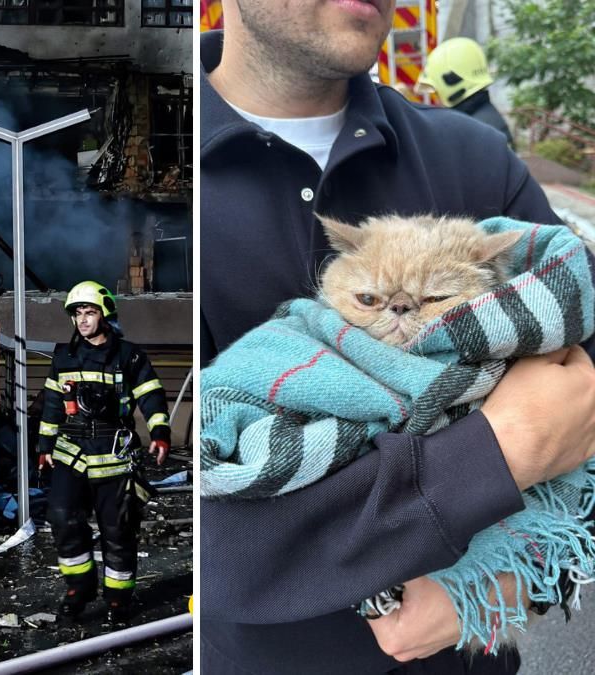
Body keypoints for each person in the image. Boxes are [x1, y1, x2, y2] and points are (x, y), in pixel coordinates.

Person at [200, 1, 595, 673]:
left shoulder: (474, 158)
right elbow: (213, 541)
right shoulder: (183, 201)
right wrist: (503, 450)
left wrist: (523, 577)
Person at [37, 280, 171, 622]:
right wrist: (44, 447)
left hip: (114, 457)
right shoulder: (63, 356)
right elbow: (52, 404)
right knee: (62, 520)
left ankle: (117, 601)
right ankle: (78, 591)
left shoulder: (129, 355)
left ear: (105, 314)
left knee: (118, 531)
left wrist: (160, 432)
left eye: (90, 312)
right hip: (71, 454)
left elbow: (151, 396)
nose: (83, 320)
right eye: (78, 313)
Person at [418, 37, 515, 146]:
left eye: (437, 91)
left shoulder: (472, 132)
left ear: (452, 81)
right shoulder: (484, 122)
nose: (437, 99)